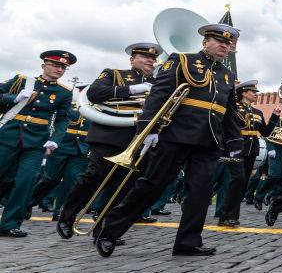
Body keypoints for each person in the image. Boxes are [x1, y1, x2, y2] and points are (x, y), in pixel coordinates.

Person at [93, 25, 243, 257]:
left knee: (201, 192)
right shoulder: (182, 60)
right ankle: (110, 230)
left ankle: (188, 242)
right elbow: (159, 95)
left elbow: (228, 110)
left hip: (209, 139)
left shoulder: (227, 74)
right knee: (152, 185)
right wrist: (148, 129)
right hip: (176, 135)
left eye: (228, 43)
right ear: (205, 43)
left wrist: (235, 140)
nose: (225, 46)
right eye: (220, 42)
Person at [57, 43, 160, 239]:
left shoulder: (157, 83)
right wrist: (132, 89)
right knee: (94, 175)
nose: (150, 61)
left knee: (122, 187)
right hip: (109, 133)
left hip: (137, 136)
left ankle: (102, 230)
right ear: (132, 59)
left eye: (153, 58)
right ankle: (68, 215)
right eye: (145, 57)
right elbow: (95, 94)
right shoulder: (114, 74)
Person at [0, 51, 76, 237]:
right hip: (9, 135)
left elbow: (63, 119)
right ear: (44, 65)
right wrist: (14, 98)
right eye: (56, 65)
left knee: (25, 182)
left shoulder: (64, 92)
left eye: (63, 68)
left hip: (36, 142)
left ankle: (9, 224)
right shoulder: (21, 81)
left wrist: (55, 139)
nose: (60, 70)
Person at [217, 80, 266, 227]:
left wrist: (275, 116)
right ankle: (225, 214)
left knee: (242, 183)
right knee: (235, 180)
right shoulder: (234, 108)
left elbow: (266, 132)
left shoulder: (258, 113)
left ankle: (230, 215)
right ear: (244, 93)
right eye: (253, 92)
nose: (256, 95)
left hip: (251, 149)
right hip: (236, 148)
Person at [30, 99, 90, 218]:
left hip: (81, 148)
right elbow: (56, 123)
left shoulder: (97, 110)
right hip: (62, 145)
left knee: (71, 181)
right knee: (50, 179)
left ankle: (60, 211)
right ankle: (28, 203)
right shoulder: (70, 106)